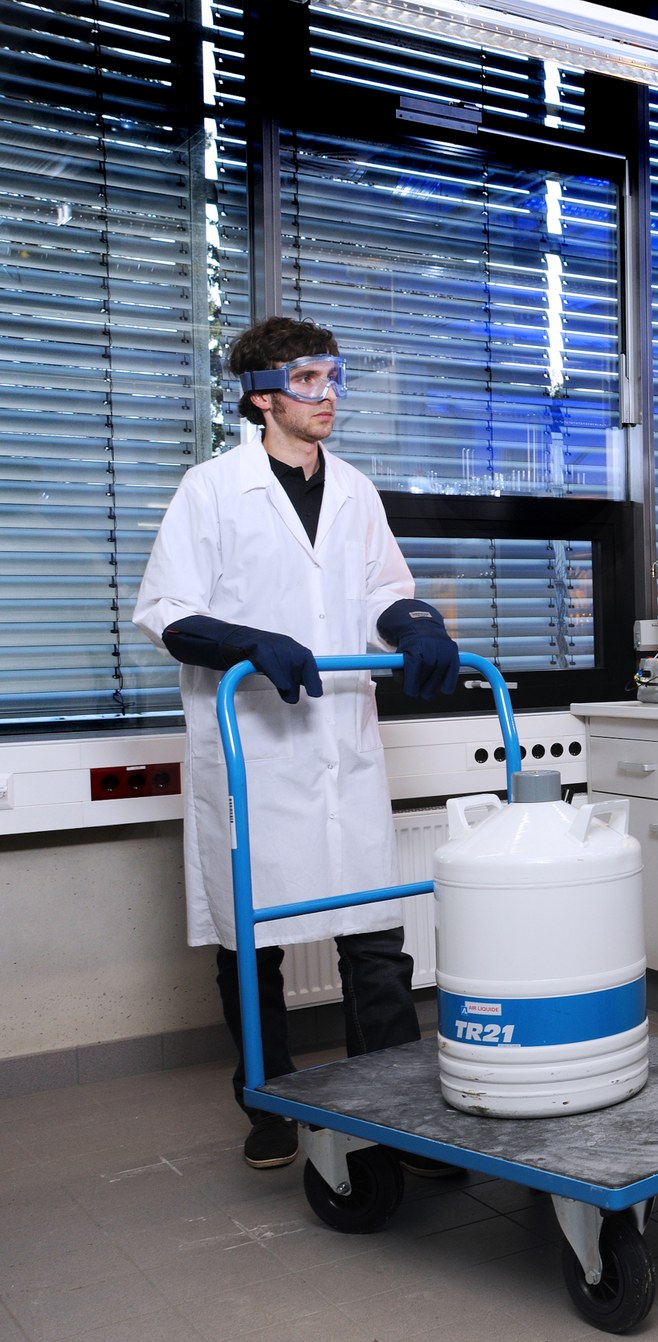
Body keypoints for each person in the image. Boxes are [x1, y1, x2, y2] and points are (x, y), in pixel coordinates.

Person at [135, 316, 463, 1171]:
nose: (329, 396)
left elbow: (387, 589)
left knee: (374, 936)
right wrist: (248, 643)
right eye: (311, 380)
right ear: (262, 394)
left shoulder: (353, 488)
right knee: (252, 939)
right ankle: (269, 1103)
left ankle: (392, 1103)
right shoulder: (211, 489)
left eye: (334, 377)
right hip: (253, 749)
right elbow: (166, 612)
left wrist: (420, 628)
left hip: (340, 747)